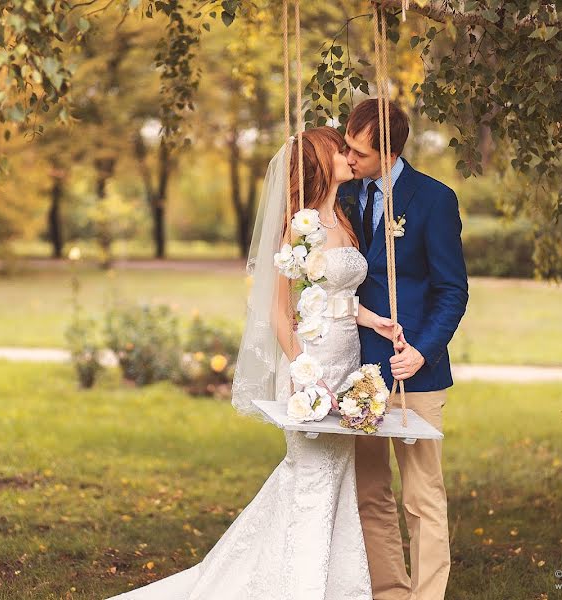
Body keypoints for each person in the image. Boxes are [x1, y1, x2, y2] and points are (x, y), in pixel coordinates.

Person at [107, 127, 402, 600]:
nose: (350, 156)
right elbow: (279, 313)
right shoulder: (299, 227)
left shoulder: (344, 221)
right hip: (311, 362)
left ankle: (336, 585)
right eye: (339, 150)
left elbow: (335, 298)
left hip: (348, 360)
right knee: (309, 475)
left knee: (336, 478)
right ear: (320, 163)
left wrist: (378, 321)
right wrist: (303, 371)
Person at [338, 99, 469, 600]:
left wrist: (424, 351)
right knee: (370, 494)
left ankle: (428, 595)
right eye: (347, 147)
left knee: (422, 497)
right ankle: (390, 592)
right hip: (357, 373)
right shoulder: (345, 196)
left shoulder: (434, 200)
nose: (350, 159)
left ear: (389, 152)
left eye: (360, 153)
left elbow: (453, 290)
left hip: (414, 372)